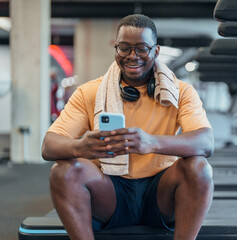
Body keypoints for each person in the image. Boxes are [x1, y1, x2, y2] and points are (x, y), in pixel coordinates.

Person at [41, 14, 214, 240]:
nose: (133, 56)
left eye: (142, 48)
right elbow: (48, 146)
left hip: (161, 193)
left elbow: (206, 142)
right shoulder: (89, 92)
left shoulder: (181, 92)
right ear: (116, 49)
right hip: (110, 193)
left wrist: (151, 142)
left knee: (199, 168)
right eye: (124, 48)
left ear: (156, 51)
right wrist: (80, 147)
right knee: (63, 171)